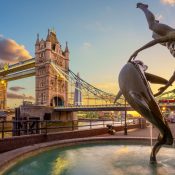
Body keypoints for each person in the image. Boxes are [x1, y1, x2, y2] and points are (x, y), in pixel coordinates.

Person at [129, 3, 175, 96]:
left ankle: (157, 24)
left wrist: (164, 88)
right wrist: (138, 51)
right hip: (168, 33)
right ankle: (144, 8)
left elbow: (174, 75)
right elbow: (155, 42)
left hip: (166, 44)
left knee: (154, 35)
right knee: (152, 26)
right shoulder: (173, 35)